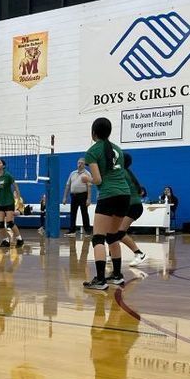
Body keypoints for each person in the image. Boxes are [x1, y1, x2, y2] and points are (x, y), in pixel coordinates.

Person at [81, 117, 131, 290]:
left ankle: (101, 280)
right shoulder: (118, 149)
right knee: (113, 236)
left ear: (93, 132)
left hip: (109, 195)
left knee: (98, 238)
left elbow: (98, 179)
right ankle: (117, 275)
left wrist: (87, 179)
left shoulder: (93, 151)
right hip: (125, 194)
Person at [0, 158, 24, 249]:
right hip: (0, 203)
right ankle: (5, 240)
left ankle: (20, 239)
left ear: (3, 166)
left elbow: (16, 187)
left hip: (9, 202)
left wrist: (18, 199)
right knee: (0, 224)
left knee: (10, 222)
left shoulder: (7, 175)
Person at [119, 153, 148, 266]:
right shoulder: (126, 172)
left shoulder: (122, 172)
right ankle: (111, 256)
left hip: (133, 206)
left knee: (119, 233)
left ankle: (139, 254)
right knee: (114, 232)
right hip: (131, 206)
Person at [63, 158, 91, 235]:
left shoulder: (87, 174)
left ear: (84, 164)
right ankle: (72, 230)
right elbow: (68, 185)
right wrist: (65, 197)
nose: (79, 164)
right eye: (78, 163)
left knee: (84, 213)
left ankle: (87, 230)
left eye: (81, 163)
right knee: (73, 213)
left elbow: (89, 186)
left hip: (83, 195)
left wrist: (88, 199)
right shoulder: (72, 173)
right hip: (74, 196)